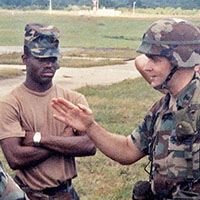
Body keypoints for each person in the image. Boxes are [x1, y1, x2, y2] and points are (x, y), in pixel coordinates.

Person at [51, 18, 200, 199]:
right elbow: (128, 150)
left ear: (179, 60)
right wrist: (90, 127)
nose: (147, 66)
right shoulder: (162, 108)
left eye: (155, 59)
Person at [0, 23, 96, 200]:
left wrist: (39, 139)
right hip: (28, 195)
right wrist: (67, 141)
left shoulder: (73, 100)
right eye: (42, 59)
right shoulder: (9, 104)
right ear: (25, 59)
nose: (49, 64)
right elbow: (15, 158)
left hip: (66, 194)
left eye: (53, 59)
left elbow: (90, 145)